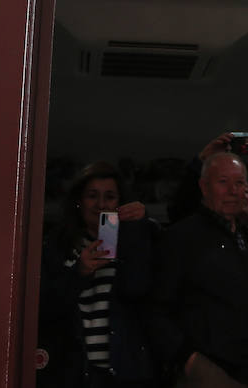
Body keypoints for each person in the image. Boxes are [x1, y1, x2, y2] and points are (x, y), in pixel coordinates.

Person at [149, 153, 248, 387]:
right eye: (223, 182)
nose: (234, 191)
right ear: (204, 187)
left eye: (240, 182)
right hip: (208, 373)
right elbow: (155, 310)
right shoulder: (181, 238)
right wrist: (190, 360)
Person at [37, 162, 158, 387]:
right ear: (79, 201)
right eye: (92, 195)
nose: (101, 204)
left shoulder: (131, 243)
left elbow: (139, 290)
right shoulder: (57, 246)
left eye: (110, 196)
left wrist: (136, 230)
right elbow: (45, 308)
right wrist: (79, 272)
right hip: (73, 372)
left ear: (120, 202)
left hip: (125, 372)